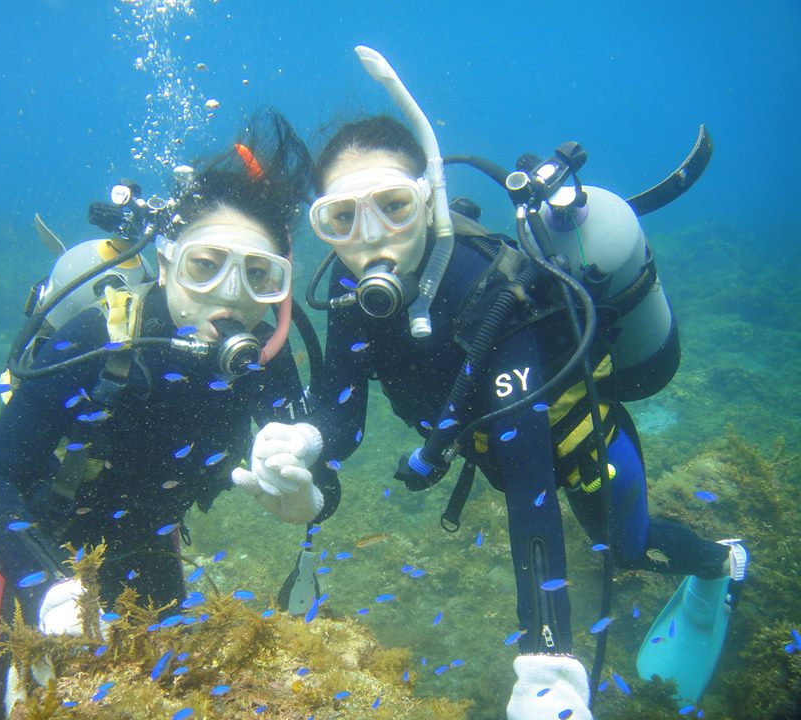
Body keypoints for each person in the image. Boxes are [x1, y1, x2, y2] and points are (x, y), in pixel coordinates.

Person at [257, 48, 747, 720]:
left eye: (393, 207)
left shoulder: (490, 292)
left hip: (584, 449)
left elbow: (528, 483)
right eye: (341, 219)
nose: (369, 240)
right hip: (487, 449)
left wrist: (549, 662)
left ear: (426, 202)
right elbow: (344, 417)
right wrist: (304, 445)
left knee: (627, 547)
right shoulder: (347, 292)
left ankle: (724, 564)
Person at [0, 111, 339, 719]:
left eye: (260, 274)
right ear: (166, 262)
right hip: (35, 556)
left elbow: (319, 470)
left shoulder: (265, 357)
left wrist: (310, 496)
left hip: (154, 546)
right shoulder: (96, 338)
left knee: (168, 701)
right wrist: (46, 584)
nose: (232, 293)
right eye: (204, 263)